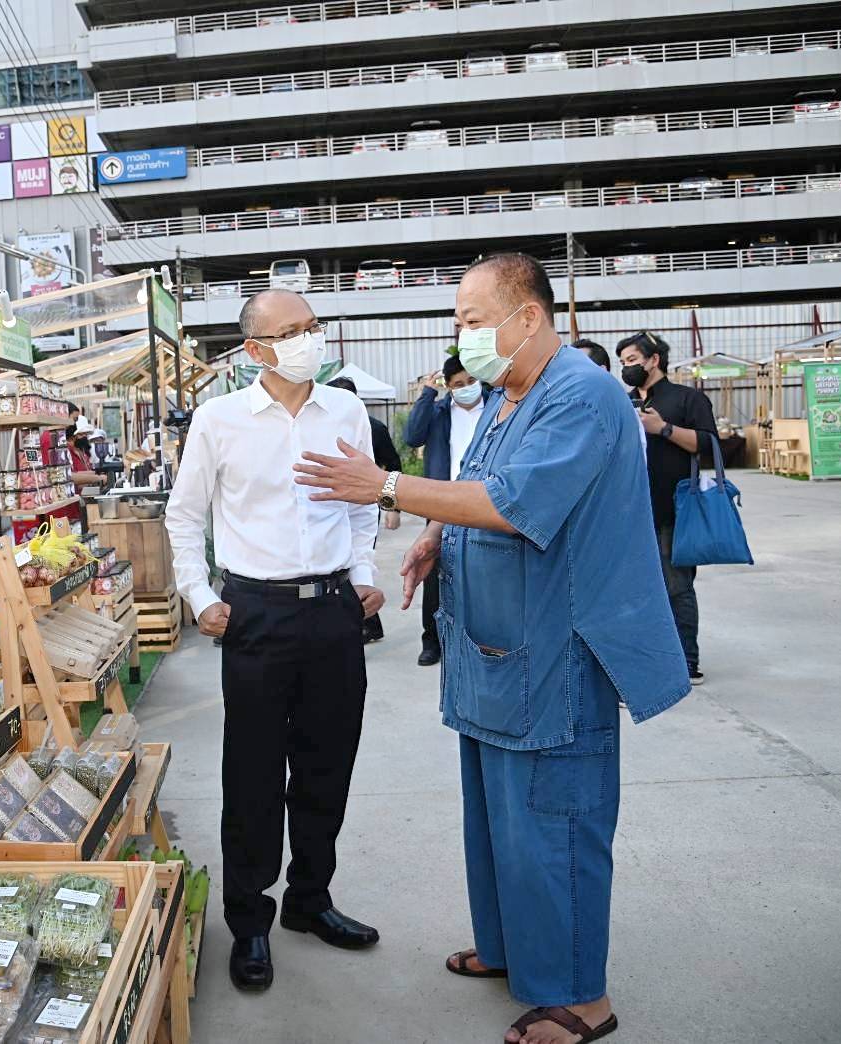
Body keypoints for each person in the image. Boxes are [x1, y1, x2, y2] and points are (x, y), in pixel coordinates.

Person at [294, 253, 688, 1044]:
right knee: (498, 819)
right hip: (497, 650)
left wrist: (385, 487)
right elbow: (475, 482)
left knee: (555, 820)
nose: (463, 336)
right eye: (459, 323)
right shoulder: (510, 396)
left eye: (473, 321)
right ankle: (516, 948)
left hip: (555, 652)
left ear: (528, 317)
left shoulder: (578, 395)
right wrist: (435, 536)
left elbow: (515, 503)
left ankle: (580, 998)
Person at [166, 288, 383, 995]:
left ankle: (309, 899)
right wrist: (200, 596)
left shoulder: (345, 409)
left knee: (327, 766)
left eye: (312, 327)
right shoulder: (219, 419)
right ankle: (249, 920)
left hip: (330, 611)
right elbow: (183, 515)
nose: (307, 340)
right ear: (255, 350)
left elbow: (361, 506)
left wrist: (362, 574)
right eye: (290, 331)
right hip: (254, 611)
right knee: (253, 776)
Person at [618, 331, 716, 683]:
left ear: (653, 359)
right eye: (623, 363)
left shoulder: (687, 399)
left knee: (677, 587)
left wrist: (663, 428)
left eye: (632, 360)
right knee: (635, 591)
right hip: (629, 512)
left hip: (674, 510)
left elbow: (707, 443)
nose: (627, 368)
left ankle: (687, 661)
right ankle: (649, 656)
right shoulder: (622, 401)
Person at [402, 355, 484, 666]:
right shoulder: (438, 412)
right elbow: (412, 436)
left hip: (485, 498)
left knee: (483, 572)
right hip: (443, 502)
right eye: (458, 385)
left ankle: (477, 639)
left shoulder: (496, 407)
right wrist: (426, 393)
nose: (466, 388)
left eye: (471, 381)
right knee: (435, 574)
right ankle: (432, 640)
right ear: (448, 387)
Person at [329, 376, 400, 644]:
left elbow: (392, 463)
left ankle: (366, 621)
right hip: (331, 512)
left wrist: (394, 507)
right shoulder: (317, 427)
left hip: (363, 507)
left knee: (358, 564)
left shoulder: (373, 428)